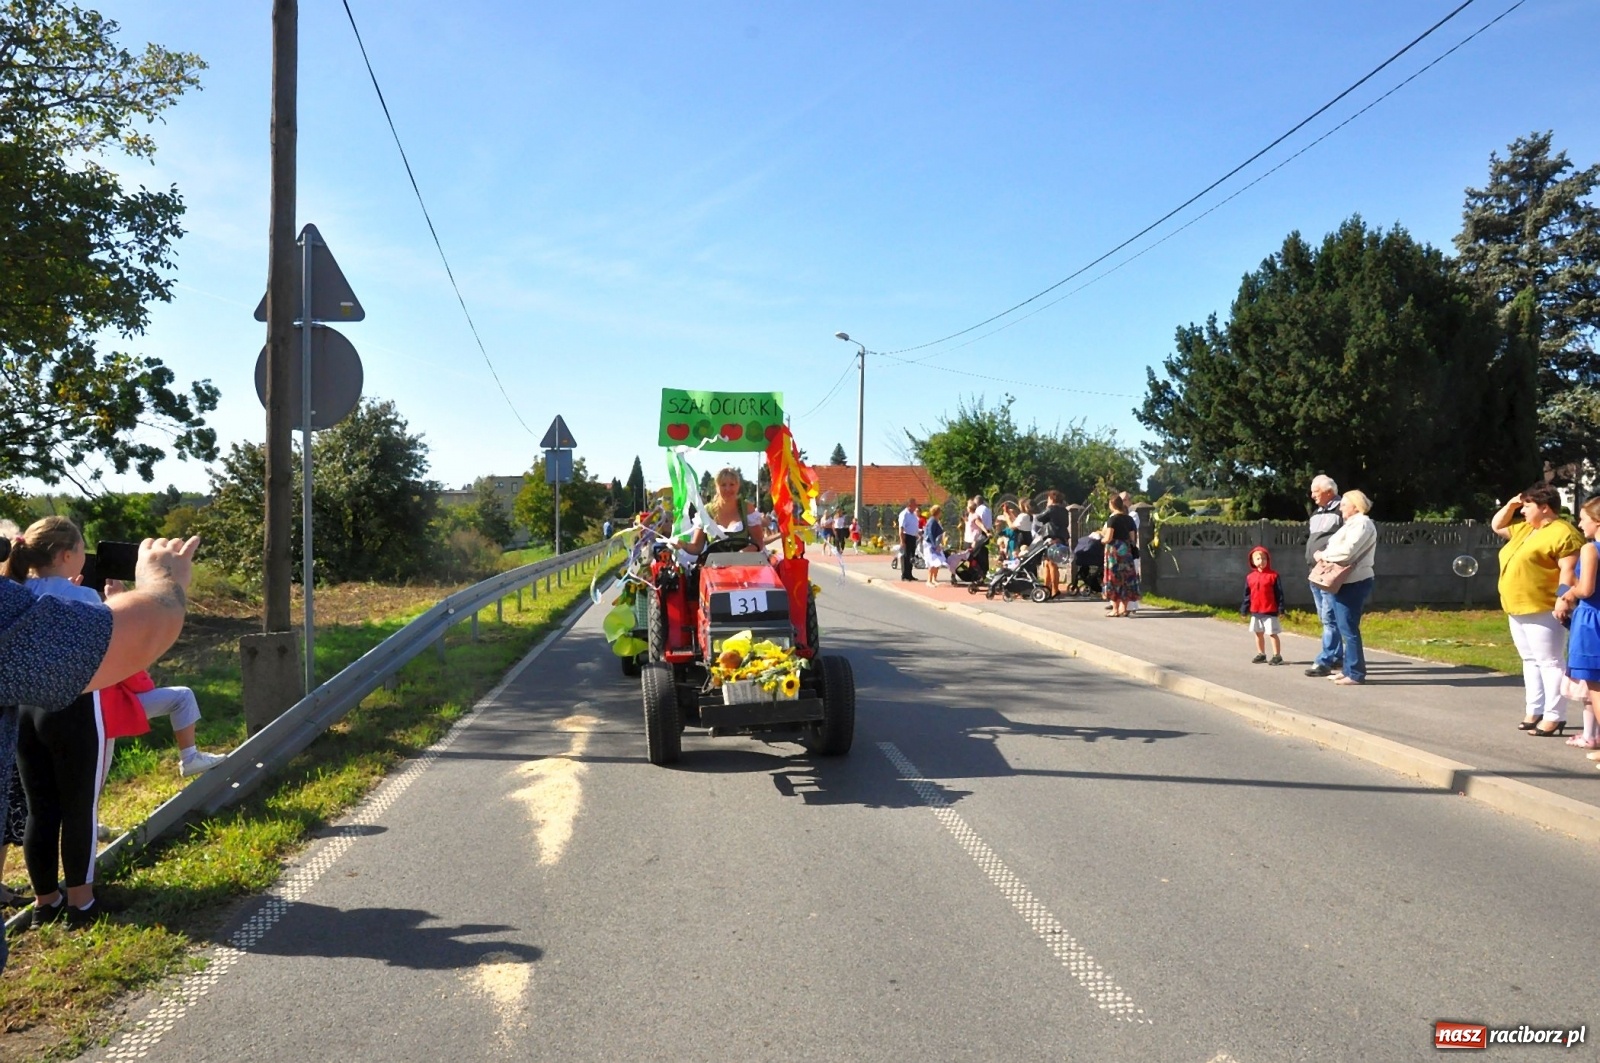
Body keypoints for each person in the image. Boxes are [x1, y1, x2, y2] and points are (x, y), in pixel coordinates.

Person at [0, 530, 198, 964]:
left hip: (25, 711)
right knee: (79, 807)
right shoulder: (84, 601)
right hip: (72, 706)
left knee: (39, 809)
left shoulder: (18, 594)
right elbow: (130, 640)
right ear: (67, 554)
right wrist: (155, 585)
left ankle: (45, 902)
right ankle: (82, 902)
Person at [1492, 483, 1585, 734]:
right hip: (1517, 605)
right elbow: (1497, 526)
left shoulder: (1563, 533)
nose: (1522, 511)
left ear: (1545, 507)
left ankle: (1554, 715)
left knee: (1550, 661)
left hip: (1543, 606)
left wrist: (1563, 598)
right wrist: (1511, 505)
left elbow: (1569, 570)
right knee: (1530, 660)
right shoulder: (1526, 529)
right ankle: (1535, 709)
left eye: (1527, 506)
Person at [1313, 490, 1379, 686]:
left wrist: (1323, 556)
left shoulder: (1363, 524)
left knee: (1349, 629)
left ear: (1356, 506)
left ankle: (1356, 673)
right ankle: (1348, 670)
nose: (1340, 507)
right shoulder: (1352, 524)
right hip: (1345, 582)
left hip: (1354, 582)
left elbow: (1347, 552)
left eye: (1344, 504)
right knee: (1344, 627)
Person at [1555, 498, 1600, 759]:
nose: (1580, 525)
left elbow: (1586, 589)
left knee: (1595, 686)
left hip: (1592, 619)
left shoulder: (1591, 549)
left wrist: (1568, 594)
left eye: (1583, 519)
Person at [1303, 475, 1346, 678]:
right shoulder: (1316, 512)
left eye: (1316, 491)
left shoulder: (1342, 510)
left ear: (1329, 491)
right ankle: (1337, 656)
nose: (1312, 495)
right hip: (1315, 572)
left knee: (1329, 618)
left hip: (1329, 572)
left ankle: (1325, 660)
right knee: (1326, 618)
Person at [678, 468, 766, 557]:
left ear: (738, 486)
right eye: (723, 485)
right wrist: (682, 544)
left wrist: (742, 553)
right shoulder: (706, 511)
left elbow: (758, 542)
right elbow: (697, 547)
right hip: (714, 563)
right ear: (717, 487)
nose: (728, 489)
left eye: (732, 484)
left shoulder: (747, 509)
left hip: (742, 562)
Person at [1240, 546, 1285, 664]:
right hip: (1256, 611)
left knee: (1272, 633)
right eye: (1258, 559)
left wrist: (1281, 609)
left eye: (1264, 558)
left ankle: (1277, 656)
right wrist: (1244, 609)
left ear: (1268, 560)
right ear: (1253, 561)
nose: (1261, 561)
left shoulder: (1273, 576)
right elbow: (1247, 595)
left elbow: (1279, 594)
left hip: (1270, 610)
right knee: (1258, 633)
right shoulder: (1250, 577)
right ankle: (1261, 654)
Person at [1101, 494, 1140, 617]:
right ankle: (1124, 608)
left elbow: (1108, 537)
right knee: (1126, 578)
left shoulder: (1112, 519)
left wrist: (1102, 540)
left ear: (1112, 505)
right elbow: (1132, 538)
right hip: (1126, 551)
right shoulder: (1129, 519)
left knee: (1114, 578)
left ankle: (1115, 609)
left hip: (1114, 552)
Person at [1035, 491, 1069, 599]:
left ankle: (1054, 589)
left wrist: (1048, 507)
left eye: (1048, 499)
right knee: (1047, 563)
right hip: (1060, 538)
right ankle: (1047, 587)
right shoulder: (1064, 510)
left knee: (1051, 564)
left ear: (1052, 499)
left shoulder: (1051, 509)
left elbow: (1039, 518)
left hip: (1052, 538)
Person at [923, 504, 948, 585]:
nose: (941, 513)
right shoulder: (932, 521)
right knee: (932, 561)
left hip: (936, 543)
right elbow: (930, 533)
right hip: (930, 544)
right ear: (937, 512)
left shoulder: (936, 521)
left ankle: (934, 579)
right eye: (940, 511)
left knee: (938, 561)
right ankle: (929, 581)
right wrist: (934, 545)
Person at [897, 498, 919, 582]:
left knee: (911, 556)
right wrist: (902, 540)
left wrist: (917, 534)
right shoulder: (904, 514)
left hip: (913, 537)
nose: (916, 506)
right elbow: (901, 528)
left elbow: (914, 526)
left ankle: (910, 574)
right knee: (906, 556)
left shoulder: (913, 514)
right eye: (914, 504)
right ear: (909, 505)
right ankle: (904, 575)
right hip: (906, 536)